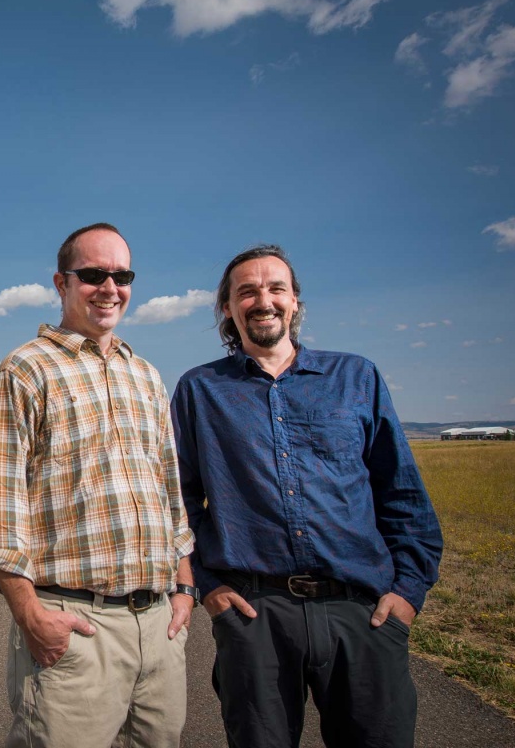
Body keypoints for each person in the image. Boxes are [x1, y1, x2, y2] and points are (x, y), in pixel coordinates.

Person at [170, 244, 443, 748]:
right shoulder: (199, 390)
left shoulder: (355, 377)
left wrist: (407, 594)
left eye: (276, 288)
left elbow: (401, 492)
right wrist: (209, 587)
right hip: (255, 616)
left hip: (360, 611)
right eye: (246, 291)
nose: (263, 300)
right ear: (227, 309)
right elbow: (180, 503)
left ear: (295, 301)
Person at [0, 223, 198, 748]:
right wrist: (31, 616)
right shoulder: (25, 370)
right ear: (61, 282)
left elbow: (170, 489)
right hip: (76, 625)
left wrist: (184, 589)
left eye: (122, 275)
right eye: (93, 274)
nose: (109, 287)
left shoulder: (147, 375)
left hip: (159, 626)